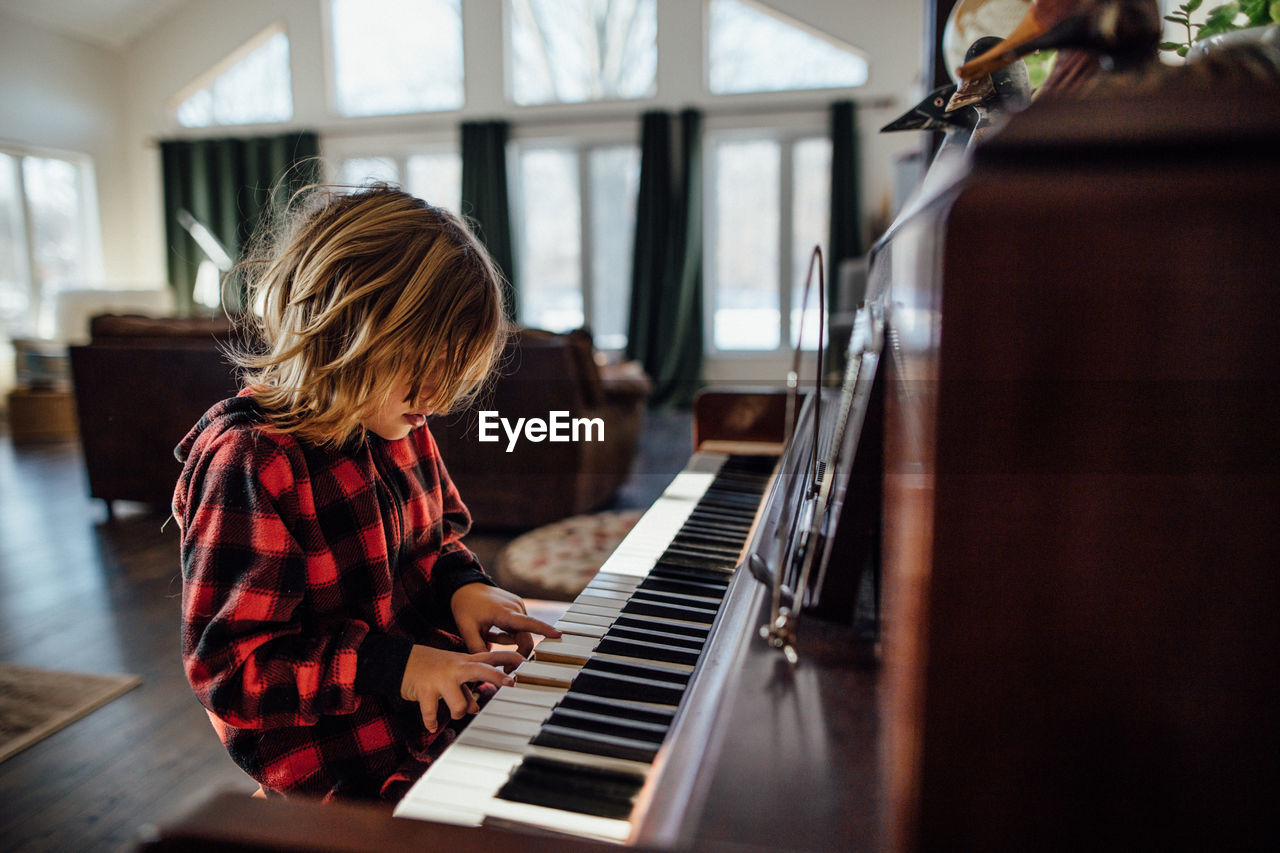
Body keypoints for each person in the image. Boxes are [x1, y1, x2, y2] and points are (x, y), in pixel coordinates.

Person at [172, 184, 560, 801]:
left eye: (453, 374)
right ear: (340, 331)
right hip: (348, 770)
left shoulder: (399, 421)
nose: (437, 398)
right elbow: (235, 674)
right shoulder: (253, 463)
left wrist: (464, 588)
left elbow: (437, 544)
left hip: (429, 711)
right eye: (421, 369)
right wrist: (395, 666)